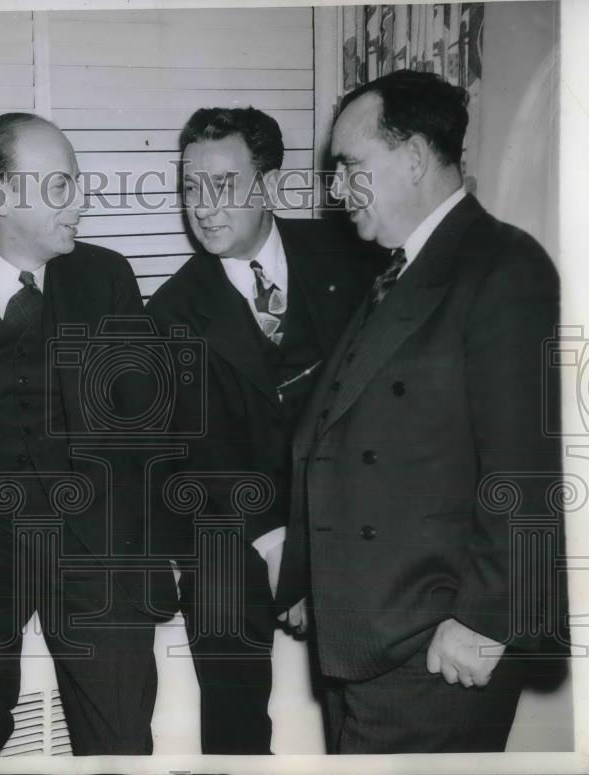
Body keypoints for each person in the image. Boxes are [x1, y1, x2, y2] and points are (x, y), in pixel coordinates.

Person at [275, 69, 563, 753]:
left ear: (410, 160)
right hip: (368, 639)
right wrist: (313, 580)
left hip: (436, 653)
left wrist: (485, 622)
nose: (336, 188)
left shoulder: (504, 266)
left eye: (350, 166)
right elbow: (340, 438)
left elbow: (527, 465)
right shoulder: (397, 270)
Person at [0, 112, 176, 756]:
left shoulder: (106, 277)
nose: (79, 202)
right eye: (61, 186)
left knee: (121, 731)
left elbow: (144, 427)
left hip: (94, 533)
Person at [145, 107, 376, 754]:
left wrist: (321, 543)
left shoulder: (348, 256)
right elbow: (201, 460)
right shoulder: (170, 312)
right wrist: (282, 549)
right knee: (218, 589)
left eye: (224, 184)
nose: (204, 206)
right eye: (192, 186)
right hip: (235, 517)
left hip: (344, 501)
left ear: (271, 187)